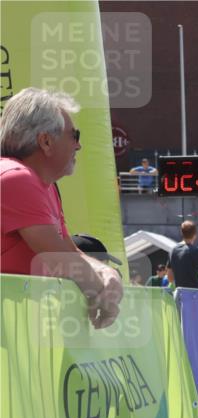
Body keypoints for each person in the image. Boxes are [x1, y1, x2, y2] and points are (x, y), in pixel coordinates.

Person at [0, 87, 122, 328]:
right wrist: (106, 292)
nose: (78, 146)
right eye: (74, 135)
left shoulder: (43, 185)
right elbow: (61, 261)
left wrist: (109, 276)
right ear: (45, 141)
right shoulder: (17, 178)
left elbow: (71, 253)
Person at [167, 220, 198, 289]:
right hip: (195, 294)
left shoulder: (172, 251)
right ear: (195, 235)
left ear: (182, 233)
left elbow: (170, 278)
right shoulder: (197, 251)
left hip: (180, 294)